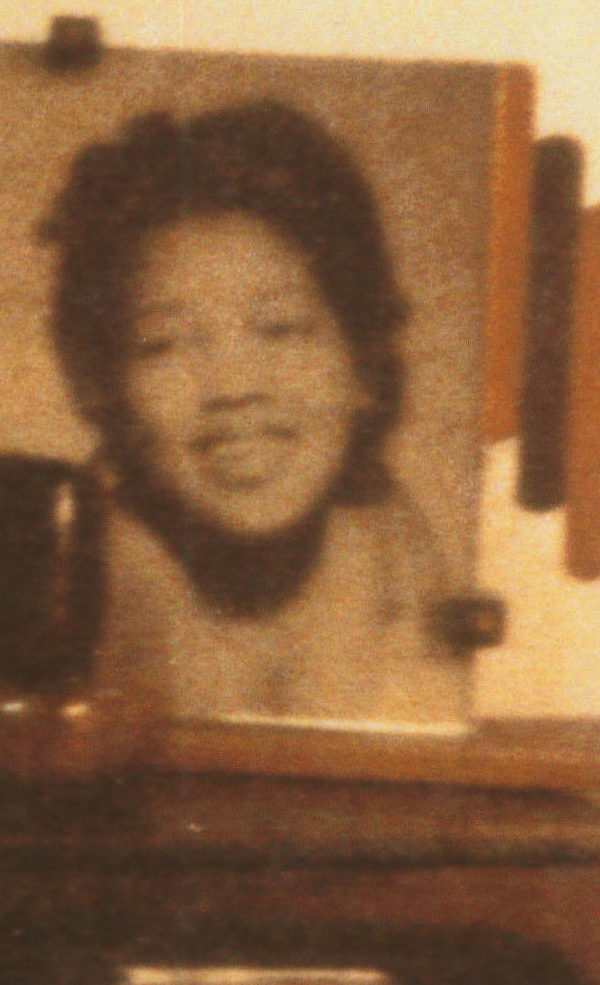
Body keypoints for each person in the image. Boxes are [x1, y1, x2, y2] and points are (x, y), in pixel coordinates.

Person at [36, 95, 471, 724]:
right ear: (103, 386)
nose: (235, 386)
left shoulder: (398, 558)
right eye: (165, 342)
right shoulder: (91, 577)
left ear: (362, 360)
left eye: (281, 329)